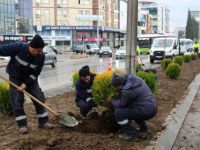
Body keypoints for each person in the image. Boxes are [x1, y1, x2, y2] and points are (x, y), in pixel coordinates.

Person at [0, 35, 53, 134]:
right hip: (15, 77)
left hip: (30, 79)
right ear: (31, 47)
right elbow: (1, 50)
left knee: (39, 97)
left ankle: (43, 122)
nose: (40, 52)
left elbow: (36, 73)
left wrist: (25, 84)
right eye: (38, 50)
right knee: (17, 99)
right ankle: (22, 125)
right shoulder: (19, 47)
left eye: (41, 50)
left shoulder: (41, 56)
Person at [109, 73, 157, 140]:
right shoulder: (135, 79)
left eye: (116, 87)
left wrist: (112, 100)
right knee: (133, 108)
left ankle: (131, 134)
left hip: (146, 110)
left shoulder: (127, 91)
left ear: (120, 85)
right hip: (152, 106)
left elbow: (121, 104)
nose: (115, 89)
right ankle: (144, 128)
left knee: (118, 113)